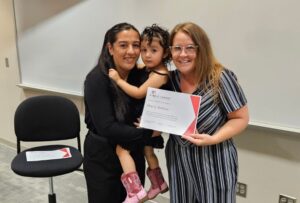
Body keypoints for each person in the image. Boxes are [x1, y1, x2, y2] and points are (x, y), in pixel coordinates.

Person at [166, 22, 249, 203]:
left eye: (190, 48)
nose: (183, 54)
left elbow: (241, 118)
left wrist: (214, 138)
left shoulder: (219, 77)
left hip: (214, 159)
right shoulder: (168, 80)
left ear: (201, 49)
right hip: (179, 160)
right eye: (177, 48)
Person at [83, 22, 159, 203]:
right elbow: (107, 127)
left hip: (133, 153)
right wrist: (149, 133)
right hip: (104, 158)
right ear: (110, 48)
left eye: (136, 45)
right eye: (123, 45)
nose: (131, 51)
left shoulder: (139, 76)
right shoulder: (96, 79)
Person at [108, 24, 170, 201]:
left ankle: (135, 191)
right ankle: (159, 183)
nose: (147, 55)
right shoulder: (153, 69)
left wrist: (118, 80)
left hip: (149, 122)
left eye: (153, 50)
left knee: (122, 150)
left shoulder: (160, 75)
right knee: (148, 151)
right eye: (143, 49)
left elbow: (138, 92)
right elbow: (140, 68)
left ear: (165, 53)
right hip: (149, 120)